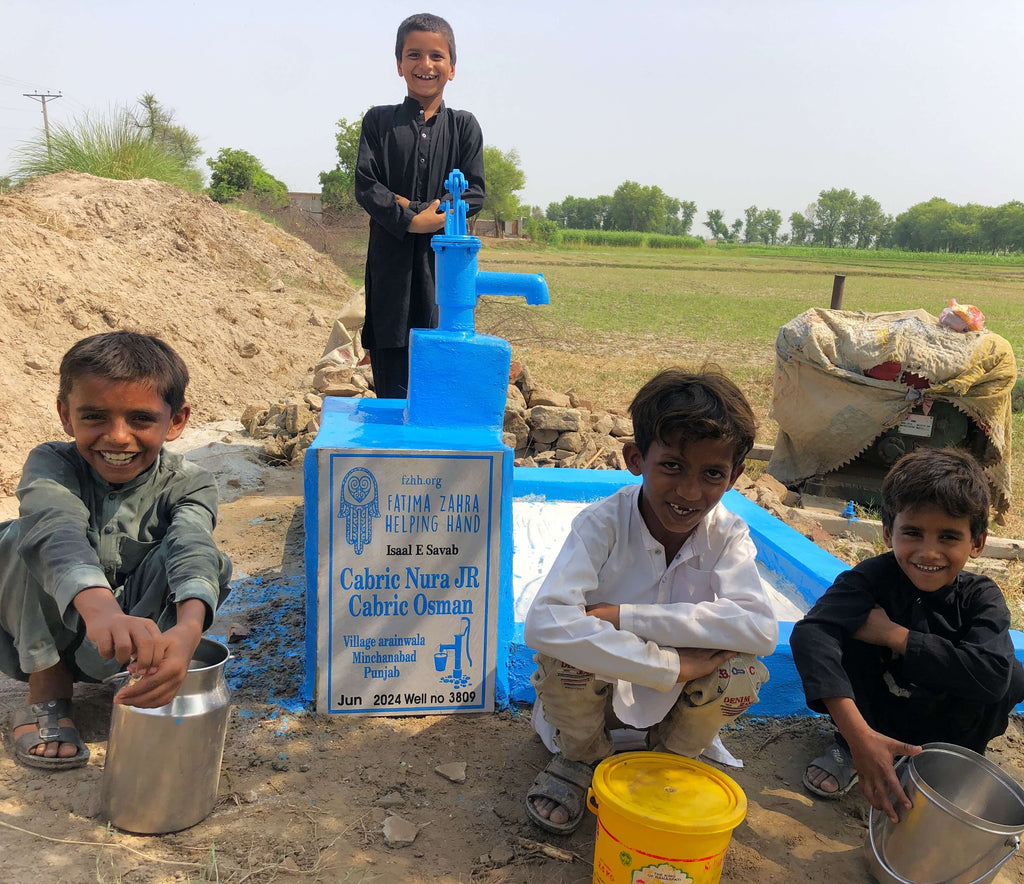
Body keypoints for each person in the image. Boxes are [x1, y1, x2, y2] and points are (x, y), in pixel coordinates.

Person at [522, 367, 778, 834]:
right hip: (596, 703)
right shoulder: (601, 524)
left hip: (676, 706)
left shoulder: (728, 533)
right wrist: (671, 666)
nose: (689, 492)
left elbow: (760, 629)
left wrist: (625, 617)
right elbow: (543, 624)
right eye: (672, 466)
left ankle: (672, 760)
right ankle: (581, 761)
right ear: (635, 458)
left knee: (742, 670)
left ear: (735, 476)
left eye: (713, 474)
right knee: (562, 659)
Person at [0, 331, 232, 770]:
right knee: (19, 538)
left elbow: (192, 546)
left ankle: (150, 675)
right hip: (49, 637)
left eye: (141, 419)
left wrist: (188, 631)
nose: (118, 437)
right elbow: (55, 530)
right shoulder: (51, 463)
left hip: (126, 648)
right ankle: (47, 691)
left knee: (209, 563)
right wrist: (101, 609)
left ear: (177, 420)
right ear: (66, 416)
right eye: (95, 417)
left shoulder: (190, 482)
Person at [791, 448, 1024, 823]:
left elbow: (993, 676)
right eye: (912, 533)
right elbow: (810, 634)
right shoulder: (870, 579)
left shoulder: (981, 596)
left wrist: (895, 636)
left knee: (1009, 672)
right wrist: (857, 735)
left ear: (977, 543)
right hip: (874, 716)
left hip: (947, 727)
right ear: (888, 532)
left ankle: (949, 763)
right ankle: (852, 749)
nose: (928, 552)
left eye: (949, 537)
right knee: (835, 629)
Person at [354, 12, 485, 400]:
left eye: (436, 56)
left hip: (441, 266)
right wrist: (413, 221)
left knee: (440, 363)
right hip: (389, 267)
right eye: (414, 55)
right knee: (392, 379)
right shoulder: (378, 122)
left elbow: (473, 193)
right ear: (399, 64)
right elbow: (366, 184)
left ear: (452, 68)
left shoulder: (464, 127)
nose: (425, 65)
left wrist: (420, 209)